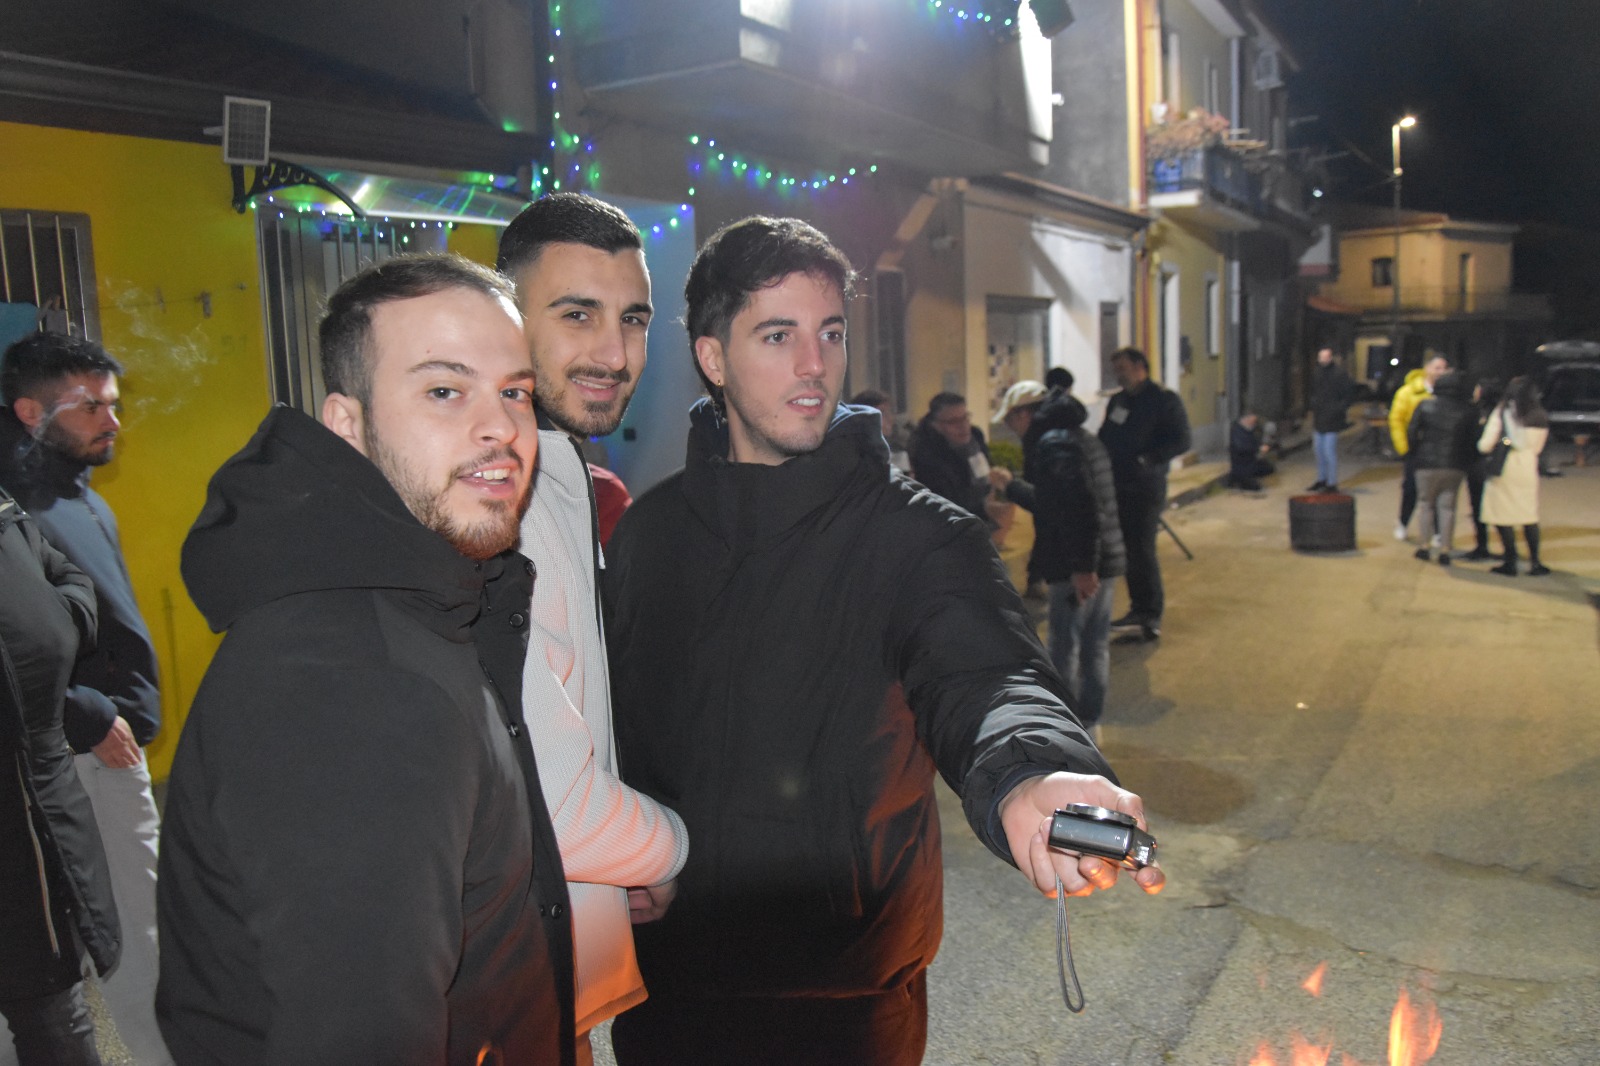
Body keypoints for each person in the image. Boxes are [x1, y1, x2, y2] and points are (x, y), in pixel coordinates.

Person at [604, 217, 1163, 1066]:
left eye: (830, 333)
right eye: (778, 335)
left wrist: (1030, 770)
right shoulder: (650, 537)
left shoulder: (920, 537)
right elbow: (605, 732)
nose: (813, 364)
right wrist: (610, 855)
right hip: (670, 996)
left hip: (845, 1002)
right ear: (713, 357)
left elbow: (987, 675)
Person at [157, 254, 575, 1065]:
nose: (500, 427)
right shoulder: (352, 686)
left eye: (515, 392)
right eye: (445, 390)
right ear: (347, 424)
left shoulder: (409, 600)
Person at [497, 192, 689, 1062]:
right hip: (491, 982)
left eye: (633, 319)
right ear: (507, 320)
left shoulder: (561, 467)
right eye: (577, 315)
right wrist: (671, 849)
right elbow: (558, 801)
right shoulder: (490, 492)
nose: (615, 353)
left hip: (549, 962)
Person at [0, 333, 171, 1065]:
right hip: (69, 758)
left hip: (98, 745)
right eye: (91, 407)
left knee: (121, 937)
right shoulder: (16, 504)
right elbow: (18, 639)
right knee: (119, 943)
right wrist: (88, 714)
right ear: (29, 411)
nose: (113, 421)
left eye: (113, 403)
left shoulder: (75, 496)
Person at [1, 486, 119, 1066]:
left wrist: (56, 625)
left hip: (36, 816)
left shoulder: (5, 512)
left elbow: (69, 579)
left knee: (56, 1015)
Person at [990, 380, 1125, 732]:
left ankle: (1068, 730)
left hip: (1075, 563)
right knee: (1095, 646)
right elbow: (1066, 502)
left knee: (1065, 649)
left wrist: (1082, 567)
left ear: (1025, 414)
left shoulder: (1055, 445)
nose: (1012, 430)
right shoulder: (1080, 436)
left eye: (1011, 421)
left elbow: (1074, 508)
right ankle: (1089, 724)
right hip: (1104, 556)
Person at [1098, 347, 1191, 642]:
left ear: (1140, 367)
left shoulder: (1163, 400)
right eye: (1116, 370)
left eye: (1123, 368)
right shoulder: (1119, 401)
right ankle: (1137, 608)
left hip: (1145, 486)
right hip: (1118, 485)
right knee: (1128, 549)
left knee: (1142, 549)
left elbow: (1182, 440)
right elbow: (1106, 436)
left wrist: (1149, 459)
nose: (1119, 375)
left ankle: (1150, 613)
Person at [1479, 376, 1551, 577]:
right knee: (1528, 515)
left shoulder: (1503, 412)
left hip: (1505, 467)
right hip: (1527, 467)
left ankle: (1510, 561)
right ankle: (1535, 562)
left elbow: (1485, 445)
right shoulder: (1539, 414)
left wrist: (1505, 440)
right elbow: (1537, 448)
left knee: (1502, 515)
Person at [1406, 371, 1479, 565]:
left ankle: (1424, 546)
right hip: (1455, 464)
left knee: (1425, 504)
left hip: (1426, 463)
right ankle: (1445, 549)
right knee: (1447, 507)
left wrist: (1415, 452)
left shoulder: (1425, 405)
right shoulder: (1469, 410)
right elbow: (1472, 439)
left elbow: (1412, 432)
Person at [1388, 354, 1450, 540]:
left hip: (1439, 450)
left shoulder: (1447, 393)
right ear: (1427, 368)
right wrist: (1404, 448)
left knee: (1438, 491)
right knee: (1411, 489)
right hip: (1415, 449)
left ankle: (1437, 532)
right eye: (1437, 368)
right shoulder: (1407, 392)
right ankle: (1403, 522)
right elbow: (1396, 420)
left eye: (1444, 368)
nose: (1441, 372)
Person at [908, 391, 994, 521]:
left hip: (981, 514)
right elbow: (945, 501)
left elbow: (987, 474)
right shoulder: (925, 452)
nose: (963, 426)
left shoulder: (975, 437)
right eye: (953, 421)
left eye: (965, 417)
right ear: (936, 425)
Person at [1462, 378, 1503, 562]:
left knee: (1478, 507)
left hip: (1477, 464)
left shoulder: (1475, 412)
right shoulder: (1503, 412)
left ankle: (1482, 546)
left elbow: (1470, 438)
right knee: (1498, 508)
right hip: (1496, 464)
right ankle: (1507, 547)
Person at [1307, 347, 1356, 491]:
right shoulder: (1317, 372)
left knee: (1329, 451)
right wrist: (1314, 403)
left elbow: (1349, 394)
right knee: (1318, 451)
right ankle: (1322, 479)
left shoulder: (1339, 374)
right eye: (1320, 357)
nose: (1322, 360)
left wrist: (1339, 408)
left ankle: (1331, 482)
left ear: (1330, 357)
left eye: (1325, 357)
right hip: (1319, 417)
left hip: (1332, 419)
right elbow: (1312, 391)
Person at [850, 387, 913, 474]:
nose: (890, 418)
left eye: (890, 412)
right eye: (882, 413)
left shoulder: (896, 452)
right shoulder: (851, 455)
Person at [1225, 412, 1275, 492]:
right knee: (1254, 487)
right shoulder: (1237, 431)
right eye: (1253, 421)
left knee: (1269, 468)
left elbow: (1254, 442)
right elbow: (1241, 448)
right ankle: (1237, 481)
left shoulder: (1248, 430)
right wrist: (1258, 448)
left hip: (1251, 462)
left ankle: (1245, 478)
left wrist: (1263, 446)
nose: (1254, 423)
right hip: (1242, 465)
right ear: (1246, 420)